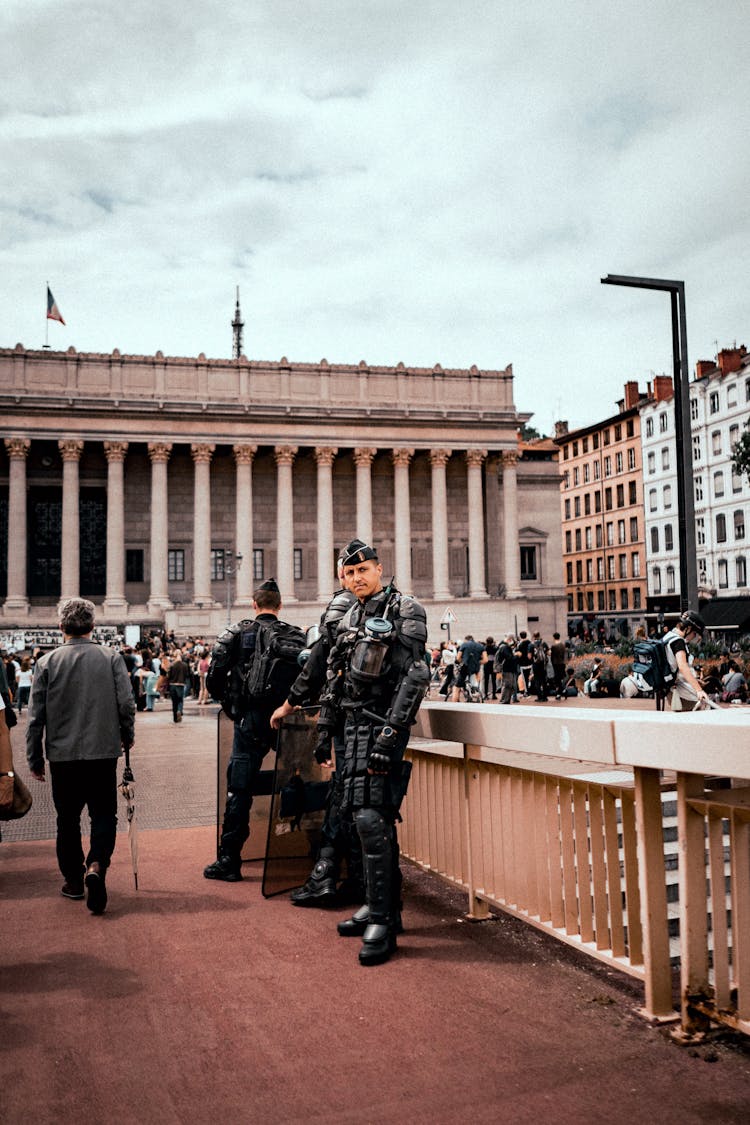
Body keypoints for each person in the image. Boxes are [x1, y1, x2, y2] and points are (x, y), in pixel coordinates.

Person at [321, 539, 429, 966]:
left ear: (379, 569)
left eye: (362, 570)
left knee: (369, 817)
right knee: (365, 818)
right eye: (348, 574)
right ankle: (380, 906)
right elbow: (335, 674)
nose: (356, 578)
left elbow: (416, 672)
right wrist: (326, 726)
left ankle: (382, 921)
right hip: (350, 725)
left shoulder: (405, 609)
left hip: (380, 723)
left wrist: (391, 733)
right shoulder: (349, 614)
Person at [25, 598, 135, 914]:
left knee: (67, 820)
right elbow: (126, 705)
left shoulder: (46, 663)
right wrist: (127, 736)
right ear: (92, 627)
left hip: (63, 756)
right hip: (103, 752)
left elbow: (35, 717)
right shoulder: (111, 658)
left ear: (61, 627)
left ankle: (73, 882)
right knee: (104, 815)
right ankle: (96, 864)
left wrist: (34, 757)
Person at [270, 552, 360, 906]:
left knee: (342, 797)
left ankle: (325, 874)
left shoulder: (341, 606)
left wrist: (289, 704)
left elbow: (319, 660)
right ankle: (356, 880)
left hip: (344, 718)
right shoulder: (385, 608)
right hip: (373, 721)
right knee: (361, 802)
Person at [203, 579, 305, 882]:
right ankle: (309, 845)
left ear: (254, 604)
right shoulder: (295, 635)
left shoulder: (238, 632)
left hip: (251, 719)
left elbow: (213, 678)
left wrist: (234, 707)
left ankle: (229, 860)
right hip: (287, 719)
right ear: (280, 605)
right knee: (298, 777)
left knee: (239, 788)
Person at [663, 610, 709, 712]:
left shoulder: (667, 637)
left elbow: (673, 668)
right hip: (679, 694)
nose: (694, 637)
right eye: (695, 633)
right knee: (706, 704)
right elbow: (683, 667)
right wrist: (699, 690)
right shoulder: (678, 641)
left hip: (671, 690)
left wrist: (694, 681)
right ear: (688, 628)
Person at [450, 635, 486, 702]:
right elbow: (485, 660)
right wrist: (477, 662)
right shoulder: (480, 646)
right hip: (476, 668)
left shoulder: (464, 644)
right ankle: (476, 691)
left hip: (465, 667)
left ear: (466, 640)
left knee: (456, 687)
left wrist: (462, 661)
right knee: (475, 682)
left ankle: (454, 704)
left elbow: (458, 658)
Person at [495, 634, 518, 704]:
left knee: (510, 685)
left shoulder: (504, 647)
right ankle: (504, 700)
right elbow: (509, 658)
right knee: (507, 685)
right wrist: (516, 655)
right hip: (507, 669)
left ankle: (506, 700)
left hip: (509, 669)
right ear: (510, 640)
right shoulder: (505, 647)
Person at [167, 649, 189, 723]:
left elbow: (168, 676)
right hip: (181, 684)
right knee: (180, 700)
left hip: (173, 685)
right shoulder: (185, 665)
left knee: (174, 702)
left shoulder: (172, 665)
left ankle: (175, 718)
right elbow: (187, 675)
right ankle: (179, 710)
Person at [549, 633, 567, 699]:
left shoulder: (553, 646)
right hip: (562, 663)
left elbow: (552, 656)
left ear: (554, 637)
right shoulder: (562, 645)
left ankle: (560, 693)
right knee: (561, 677)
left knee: (557, 679)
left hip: (556, 664)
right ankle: (563, 691)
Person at [516, 631, 533, 696]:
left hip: (523, 664)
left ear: (520, 636)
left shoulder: (520, 644)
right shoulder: (530, 643)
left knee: (524, 678)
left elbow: (518, 653)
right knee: (529, 677)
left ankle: (526, 691)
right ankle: (529, 690)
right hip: (530, 663)